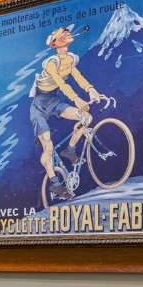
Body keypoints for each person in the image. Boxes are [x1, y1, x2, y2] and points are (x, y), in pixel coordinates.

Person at [28, 24, 102, 199]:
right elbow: (62, 84)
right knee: (48, 145)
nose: (68, 34)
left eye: (68, 33)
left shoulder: (69, 60)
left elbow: (78, 78)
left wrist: (91, 90)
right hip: (38, 107)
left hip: (54, 102)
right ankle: (55, 183)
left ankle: (70, 150)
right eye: (63, 33)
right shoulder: (52, 63)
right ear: (55, 43)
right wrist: (76, 98)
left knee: (86, 117)